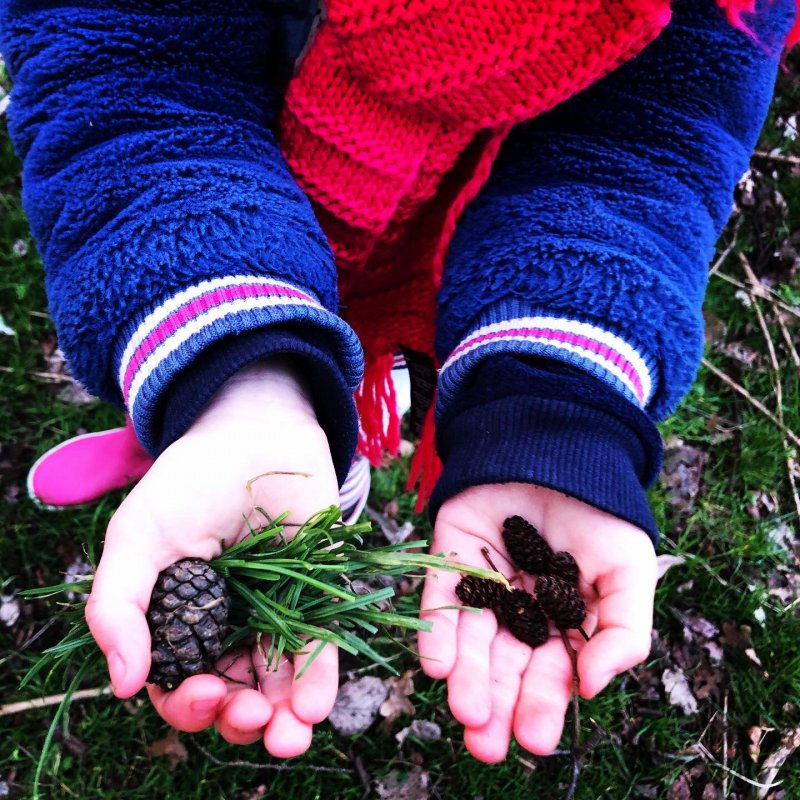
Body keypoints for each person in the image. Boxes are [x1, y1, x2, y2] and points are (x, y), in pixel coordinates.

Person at [1, 0, 797, 763]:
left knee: (309, 391)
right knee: (221, 373)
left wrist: (553, 409)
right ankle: (227, 394)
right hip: (223, 171)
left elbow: (648, 142)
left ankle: (283, 424)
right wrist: (234, 387)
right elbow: (126, 63)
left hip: (436, 234)